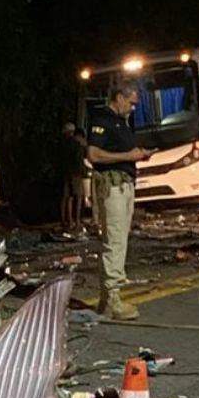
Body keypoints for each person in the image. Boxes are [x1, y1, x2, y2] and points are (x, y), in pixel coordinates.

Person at [87, 83, 151, 320]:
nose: (133, 108)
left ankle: (107, 298)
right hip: (112, 186)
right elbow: (93, 154)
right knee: (114, 239)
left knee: (120, 239)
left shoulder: (120, 123)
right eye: (131, 103)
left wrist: (138, 155)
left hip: (124, 183)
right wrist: (129, 156)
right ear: (119, 97)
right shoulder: (102, 120)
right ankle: (112, 296)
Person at [59, 122, 89, 238]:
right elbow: (79, 159)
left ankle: (67, 221)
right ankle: (77, 221)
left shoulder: (62, 145)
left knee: (67, 198)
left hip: (66, 173)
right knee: (78, 197)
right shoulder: (77, 145)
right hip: (76, 174)